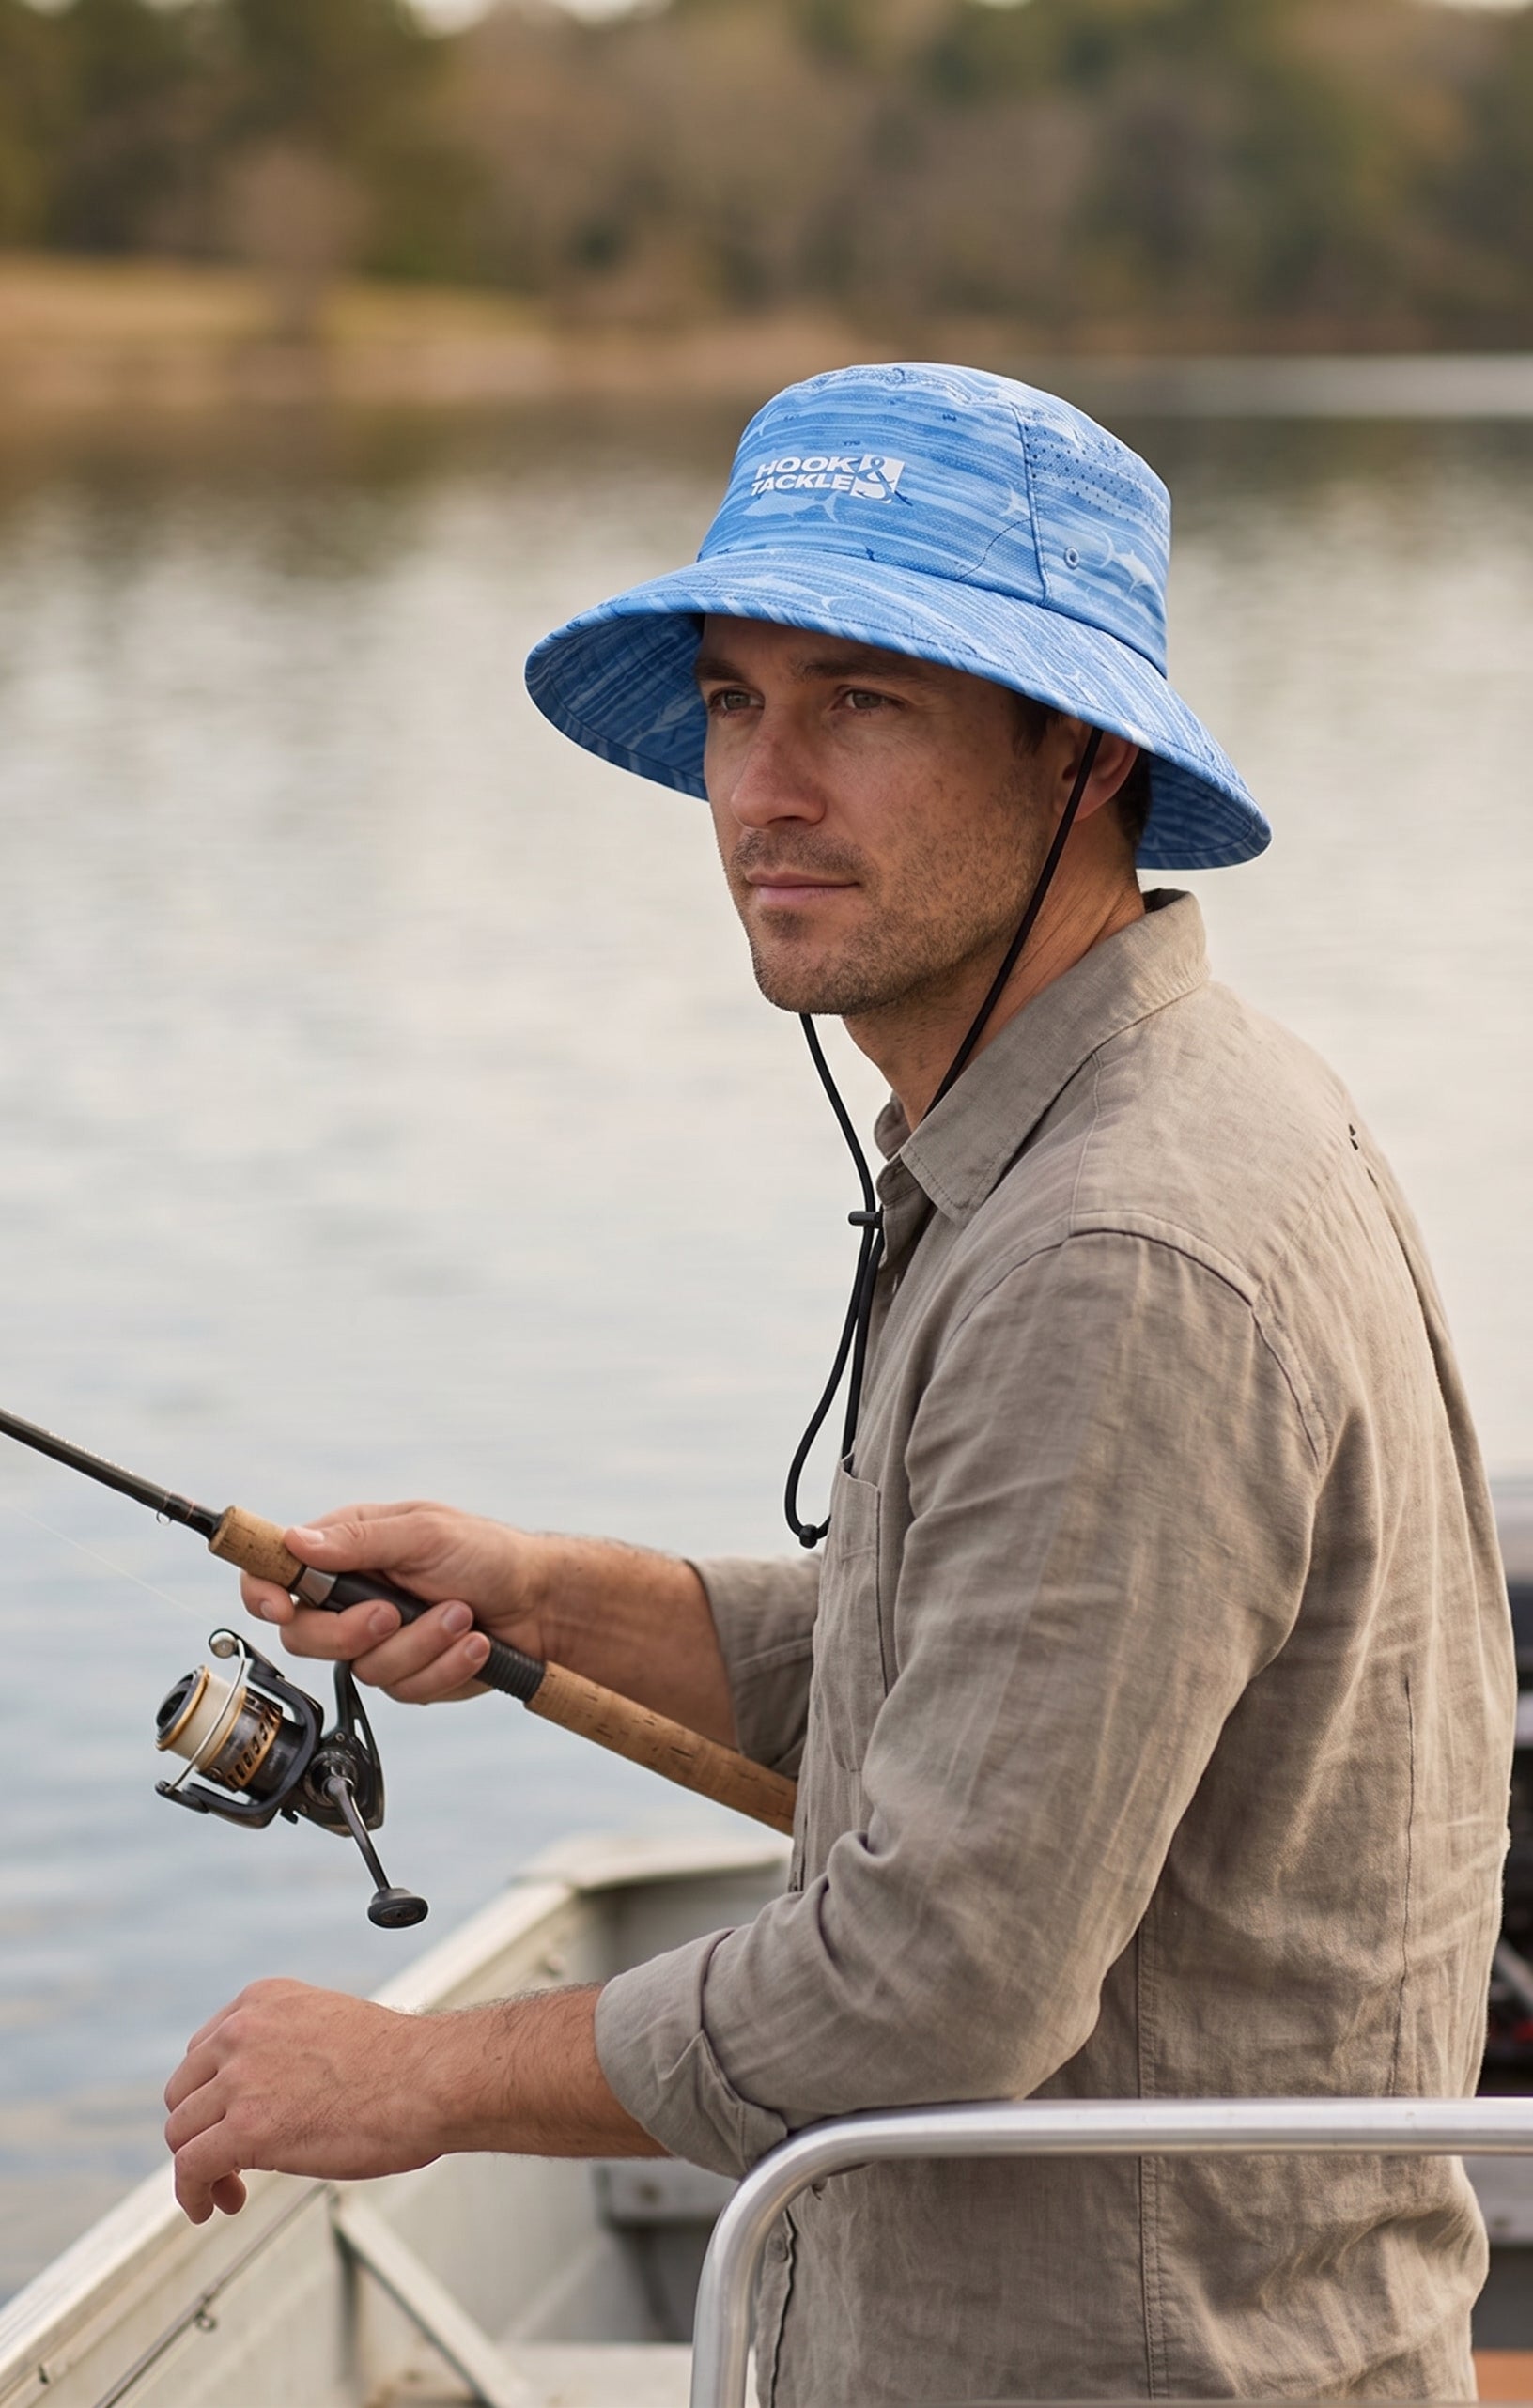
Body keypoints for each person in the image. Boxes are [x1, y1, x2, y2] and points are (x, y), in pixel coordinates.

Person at [163, 364, 1515, 2405]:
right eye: (731, 701)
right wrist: (543, 1595)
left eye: (861, 702)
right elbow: (967, 1653)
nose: (763, 789)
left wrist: (414, 2075)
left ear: (1076, 748)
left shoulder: (1112, 1252)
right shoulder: (1137, 1115)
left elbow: (926, 1992)